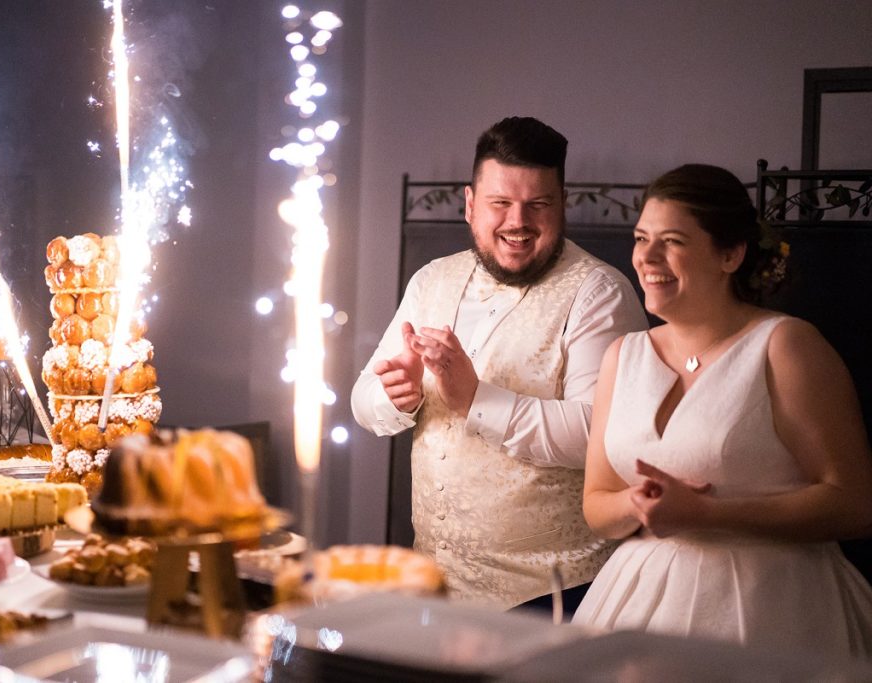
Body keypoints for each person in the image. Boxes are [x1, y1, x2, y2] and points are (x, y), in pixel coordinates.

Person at [572, 164, 872, 658]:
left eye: (671, 241)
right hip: (637, 598)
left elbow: (854, 504)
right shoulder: (622, 355)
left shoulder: (785, 346)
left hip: (770, 607)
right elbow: (597, 504)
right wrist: (639, 503)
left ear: (730, 254)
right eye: (641, 237)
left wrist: (709, 514)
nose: (646, 257)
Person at [351, 116, 648, 610]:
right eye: (500, 203)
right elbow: (364, 399)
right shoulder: (431, 280)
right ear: (470, 205)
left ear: (563, 207)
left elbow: (604, 435)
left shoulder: (600, 293)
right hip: (432, 583)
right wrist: (392, 394)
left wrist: (475, 400)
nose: (518, 221)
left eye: (538, 205)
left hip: (555, 594)